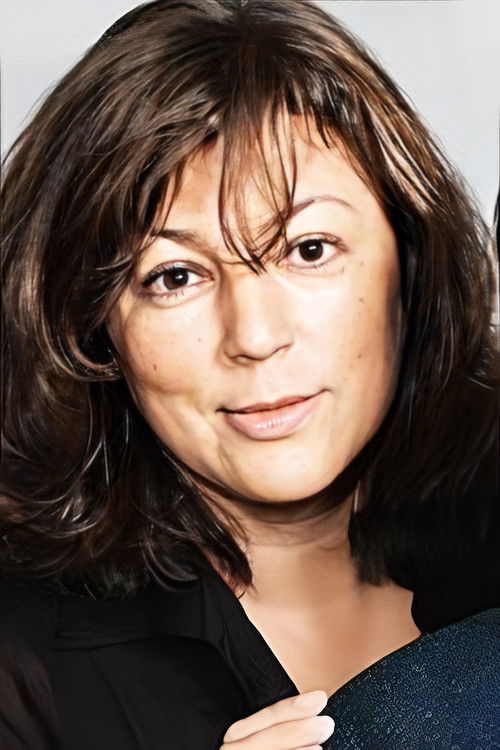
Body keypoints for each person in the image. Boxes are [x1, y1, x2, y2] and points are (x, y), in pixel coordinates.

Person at [1, 1, 498, 748]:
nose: (256, 338)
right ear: (92, 325)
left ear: (412, 260)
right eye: (174, 276)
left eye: (308, 249)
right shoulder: (20, 666)